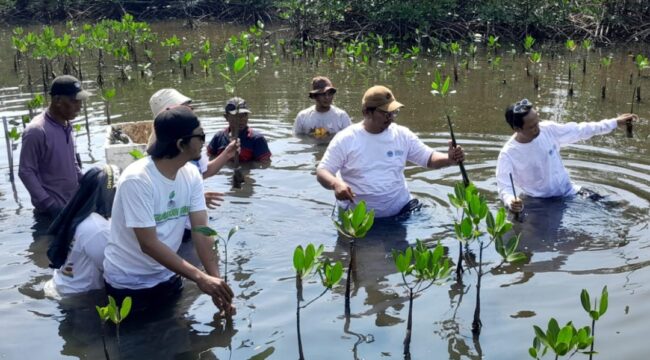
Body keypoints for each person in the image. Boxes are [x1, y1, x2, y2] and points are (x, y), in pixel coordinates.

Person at [103, 106, 235, 314]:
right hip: (129, 283)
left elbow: (201, 230)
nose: (204, 141)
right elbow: (148, 244)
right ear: (181, 144)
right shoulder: (138, 179)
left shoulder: (191, 175)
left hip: (167, 274)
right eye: (200, 136)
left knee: (179, 334)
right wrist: (200, 278)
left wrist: (216, 284)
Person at [316, 85, 465, 218]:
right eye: (385, 113)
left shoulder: (402, 134)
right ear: (367, 112)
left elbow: (429, 158)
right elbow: (323, 171)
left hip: (401, 212)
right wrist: (336, 184)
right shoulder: (346, 139)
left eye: (394, 112)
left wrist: (449, 159)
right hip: (357, 217)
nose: (391, 118)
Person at [496, 98, 639, 213]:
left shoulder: (548, 129)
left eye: (537, 123)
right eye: (531, 127)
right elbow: (504, 187)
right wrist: (511, 201)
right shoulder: (508, 154)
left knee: (613, 207)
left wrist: (614, 122)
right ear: (517, 128)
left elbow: (581, 130)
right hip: (539, 202)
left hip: (568, 191)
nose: (537, 129)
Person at [149, 88, 239, 210]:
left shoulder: (191, 142)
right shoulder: (159, 153)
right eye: (184, 108)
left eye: (190, 108)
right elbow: (161, 195)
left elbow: (203, 172)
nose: (191, 112)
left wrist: (227, 154)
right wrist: (193, 199)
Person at [19, 75, 89, 218]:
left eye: (80, 101)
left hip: (71, 205)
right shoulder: (37, 131)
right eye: (74, 101)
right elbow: (26, 172)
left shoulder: (66, 124)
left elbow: (71, 162)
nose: (79, 107)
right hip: (51, 214)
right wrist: (49, 204)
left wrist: (87, 180)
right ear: (57, 100)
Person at [44, 165, 119, 297]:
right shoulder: (97, 228)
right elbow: (114, 268)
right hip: (77, 296)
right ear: (107, 193)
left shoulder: (80, 214)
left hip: (61, 285)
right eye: (116, 191)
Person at [207, 97, 271, 162]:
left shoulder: (257, 139)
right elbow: (210, 157)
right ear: (226, 117)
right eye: (237, 115)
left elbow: (265, 164)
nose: (242, 119)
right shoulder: (219, 137)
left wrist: (242, 168)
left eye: (244, 114)